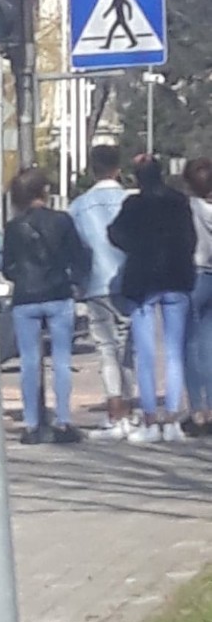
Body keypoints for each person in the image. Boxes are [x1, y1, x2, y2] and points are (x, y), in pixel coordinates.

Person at [108, 155, 196, 444]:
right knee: (173, 352)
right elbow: (190, 238)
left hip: (142, 279)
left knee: (144, 353)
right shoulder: (178, 201)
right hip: (176, 278)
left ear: (137, 178)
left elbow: (114, 233)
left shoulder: (133, 205)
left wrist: (137, 248)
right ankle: (171, 419)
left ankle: (149, 419)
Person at [3, 167, 90, 445]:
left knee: (29, 362)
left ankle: (31, 425)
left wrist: (24, 278)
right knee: (62, 360)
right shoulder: (62, 221)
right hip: (57, 294)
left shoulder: (13, 227)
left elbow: (8, 268)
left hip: (25, 298)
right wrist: (75, 282)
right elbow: (79, 257)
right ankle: (63, 422)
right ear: (44, 192)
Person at [69, 144, 134, 439]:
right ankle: (130, 413)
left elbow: (75, 248)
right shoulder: (130, 201)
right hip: (129, 281)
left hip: (96, 283)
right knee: (127, 348)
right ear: (118, 169)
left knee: (106, 349)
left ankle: (113, 411)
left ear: (92, 169)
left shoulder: (79, 207)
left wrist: (80, 280)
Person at [182, 157, 212, 435]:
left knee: (189, 347)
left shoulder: (190, 208)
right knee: (208, 344)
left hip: (196, 276)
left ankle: (197, 410)